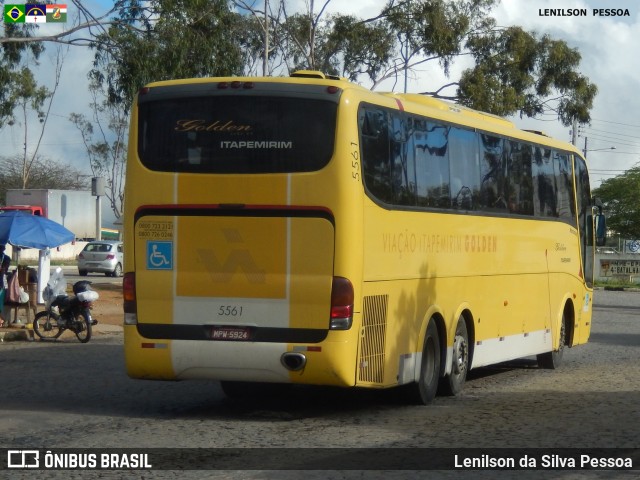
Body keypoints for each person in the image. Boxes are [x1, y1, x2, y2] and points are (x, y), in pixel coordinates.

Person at [0, 244, 10, 327]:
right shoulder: (6, 258)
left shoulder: (6, 258)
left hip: (2, 283)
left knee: (1, 302)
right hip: (2, 283)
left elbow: (4, 270)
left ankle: (1, 319)